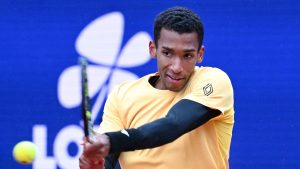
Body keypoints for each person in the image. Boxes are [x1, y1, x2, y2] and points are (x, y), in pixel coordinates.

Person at [79, 6, 234, 169]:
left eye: (187, 55)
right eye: (168, 53)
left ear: (200, 54)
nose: (176, 66)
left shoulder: (214, 81)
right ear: (153, 49)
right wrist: (96, 165)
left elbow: (174, 125)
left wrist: (111, 141)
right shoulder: (121, 95)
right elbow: (107, 161)